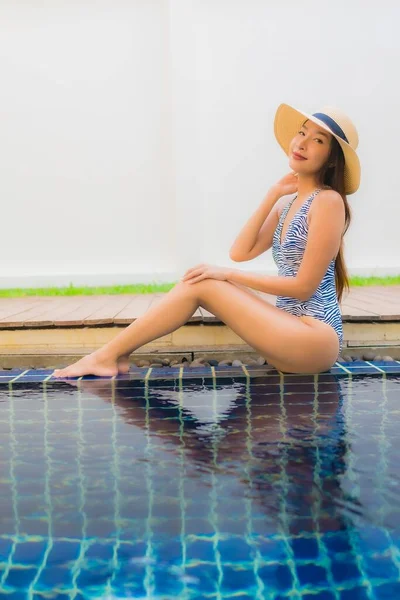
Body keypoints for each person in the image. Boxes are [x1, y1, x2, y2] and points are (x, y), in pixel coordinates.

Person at [53, 102, 361, 378]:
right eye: (302, 133)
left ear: (332, 160)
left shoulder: (328, 202)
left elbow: (303, 286)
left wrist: (225, 274)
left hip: (314, 338)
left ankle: (106, 356)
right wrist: (271, 196)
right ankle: (112, 355)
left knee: (205, 281)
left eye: (317, 140)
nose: (302, 143)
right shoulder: (287, 203)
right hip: (289, 333)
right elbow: (240, 252)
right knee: (203, 280)